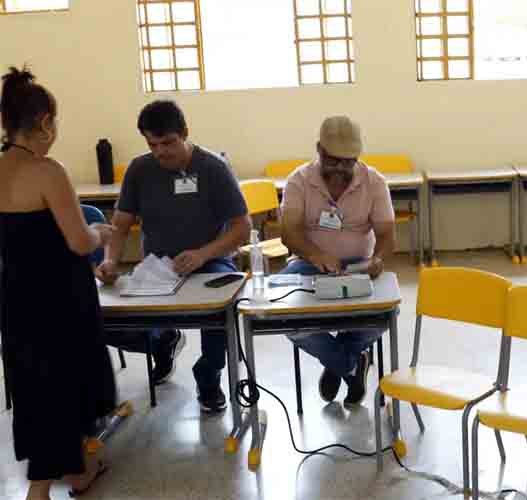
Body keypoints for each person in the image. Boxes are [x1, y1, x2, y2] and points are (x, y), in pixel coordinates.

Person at [0, 66, 117, 500]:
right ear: (45, 122)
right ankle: (40, 489)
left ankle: (80, 469)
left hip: (15, 296)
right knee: (67, 385)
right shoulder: (47, 170)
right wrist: (101, 235)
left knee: (34, 386)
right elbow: (76, 239)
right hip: (60, 298)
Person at [95, 100, 251, 413]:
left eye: (168, 143)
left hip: (210, 262)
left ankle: (208, 376)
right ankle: (163, 342)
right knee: (105, 320)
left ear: (185, 134)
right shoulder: (140, 169)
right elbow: (121, 225)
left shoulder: (213, 168)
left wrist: (202, 253)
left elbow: (242, 228)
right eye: (152, 144)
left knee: (221, 312)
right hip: (157, 268)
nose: (160, 152)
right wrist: (111, 260)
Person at [280, 116, 395, 405]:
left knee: (381, 318)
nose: (341, 169)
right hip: (308, 265)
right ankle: (351, 365)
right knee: (287, 319)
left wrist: (378, 260)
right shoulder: (299, 181)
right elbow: (289, 234)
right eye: (333, 161)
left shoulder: (374, 182)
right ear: (318, 150)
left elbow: (386, 235)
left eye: (348, 162)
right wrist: (316, 255)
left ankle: (335, 363)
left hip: (359, 266)